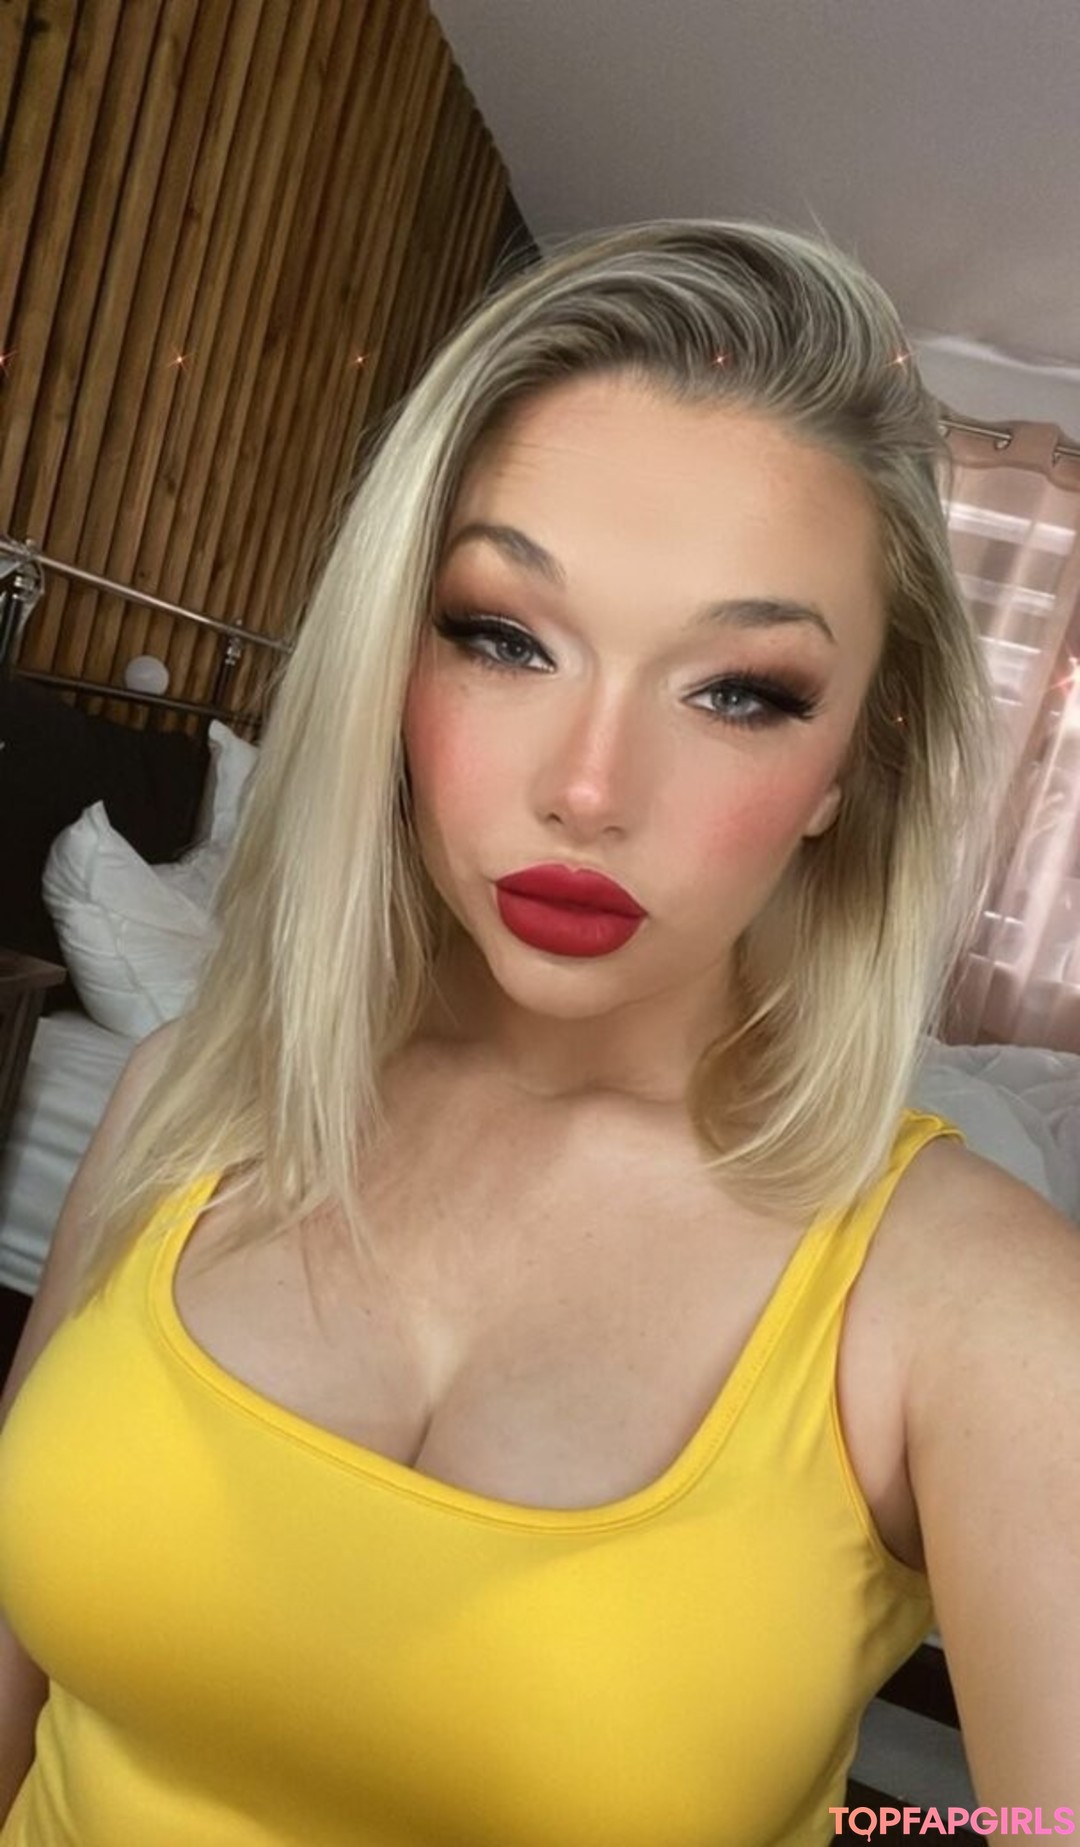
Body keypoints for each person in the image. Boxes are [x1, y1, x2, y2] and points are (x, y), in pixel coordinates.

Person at [0, 220, 1077, 1846]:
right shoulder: (187, 1097)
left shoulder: (976, 1300)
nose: (588, 787)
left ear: (854, 760)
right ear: (393, 661)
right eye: (503, 636)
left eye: (742, 690)